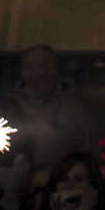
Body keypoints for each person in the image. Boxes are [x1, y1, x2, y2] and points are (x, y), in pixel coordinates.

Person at [9, 45, 97, 174]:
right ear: (22, 72)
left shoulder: (75, 111)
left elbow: (89, 155)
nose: (37, 72)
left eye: (44, 66)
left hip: (61, 182)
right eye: (29, 67)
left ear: (57, 69)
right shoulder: (8, 108)